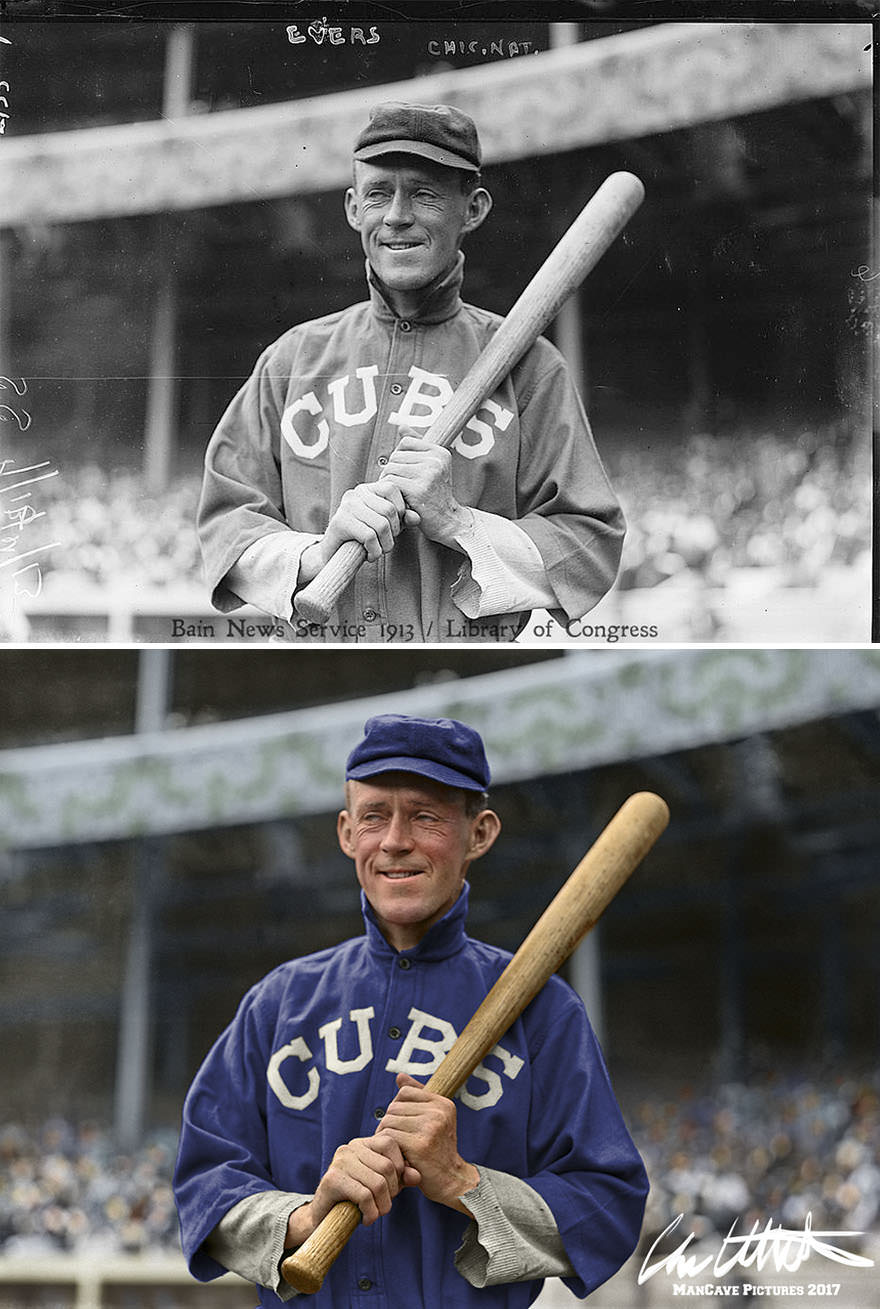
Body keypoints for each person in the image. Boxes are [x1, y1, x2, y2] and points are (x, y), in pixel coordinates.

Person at [173, 714, 648, 1306]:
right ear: (347, 833)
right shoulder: (280, 1002)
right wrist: (306, 1216)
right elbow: (203, 1187)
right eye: (375, 816)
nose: (395, 840)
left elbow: (609, 1205)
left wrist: (463, 1183)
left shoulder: (546, 1012)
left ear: (479, 834)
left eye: (425, 815)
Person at [197, 102, 625, 643]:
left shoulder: (533, 367)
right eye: (379, 193)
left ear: (472, 209)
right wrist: (317, 554)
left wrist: (458, 523)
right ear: (354, 208)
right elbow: (226, 526)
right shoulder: (292, 359)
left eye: (424, 193)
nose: (397, 215)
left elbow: (591, 545)